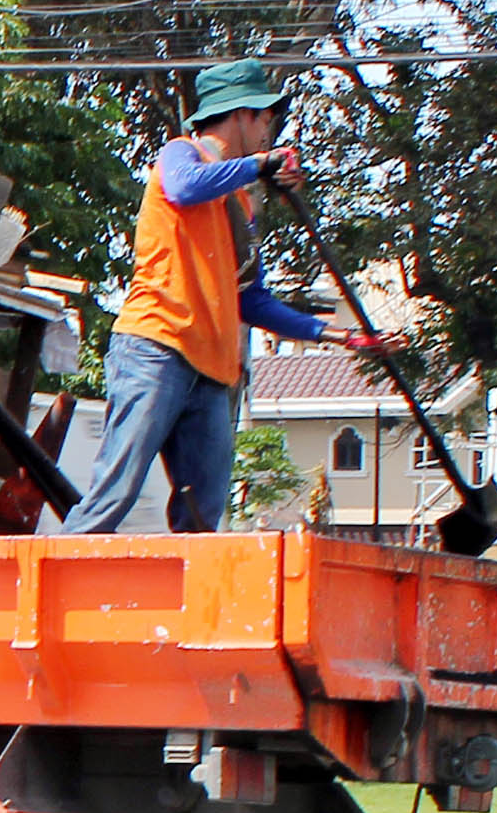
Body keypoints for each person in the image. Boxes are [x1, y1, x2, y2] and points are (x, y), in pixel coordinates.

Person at [66, 58, 387, 534]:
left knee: (203, 515)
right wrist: (258, 167)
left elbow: (249, 299)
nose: (269, 131)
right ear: (242, 113)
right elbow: (182, 187)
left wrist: (335, 334)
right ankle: (47, 588)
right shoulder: (182, 154)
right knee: (116, 492)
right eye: (266, 118)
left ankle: (193, 607)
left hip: (213, 370)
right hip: (157, 346)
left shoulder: (240, 204)